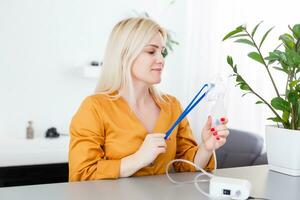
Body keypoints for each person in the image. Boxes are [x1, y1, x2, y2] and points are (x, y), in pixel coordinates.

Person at [68, 17, 229, 181]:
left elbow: (186, 164)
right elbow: (81, 175)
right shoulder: (94, 107)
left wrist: (206, 148)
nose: (161, 59)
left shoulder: (171, 105)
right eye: (151, 51)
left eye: (162, 52)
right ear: (125, 55)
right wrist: (138, 159)